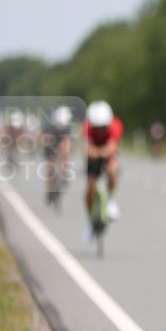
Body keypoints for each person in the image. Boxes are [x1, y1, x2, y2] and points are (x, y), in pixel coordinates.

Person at [82, 101, 123, 240]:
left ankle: (111, 200)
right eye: (97, 128)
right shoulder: (87, 126)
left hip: (107, 152)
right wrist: (94, 152)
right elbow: (87, 148)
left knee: (112, 170)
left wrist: (100, 152)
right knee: (90, 186)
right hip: (93, 154)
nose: (100, 130)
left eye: (103, 127)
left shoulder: (116, 125)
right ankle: (90, 221)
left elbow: (112, 146)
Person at [42, 105, 73, 201]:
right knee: (50, 165)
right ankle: (49, 188)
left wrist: (65, 154)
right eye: (59, 126)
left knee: (66, 151)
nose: (61, 128)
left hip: (61, 140)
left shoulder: (67, 126)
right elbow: (45, 140)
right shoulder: (49, 126)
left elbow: (67, 141)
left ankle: (65, 173)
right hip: (51, 140)